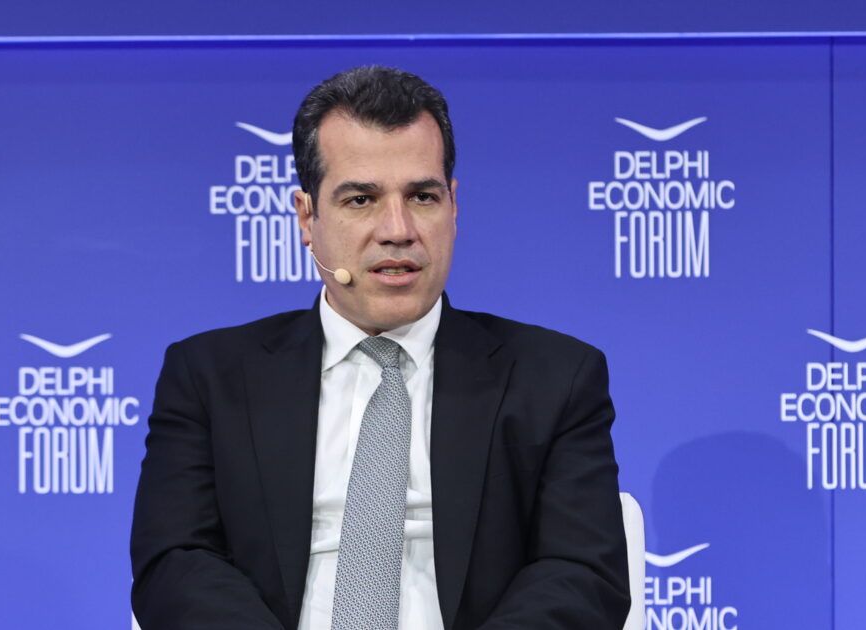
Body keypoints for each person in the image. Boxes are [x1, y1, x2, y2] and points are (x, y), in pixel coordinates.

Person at [131, 66, 629, 630]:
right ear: (307, 217)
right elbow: (175, 561)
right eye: (362, 199)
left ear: (454, 207)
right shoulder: (210, 377)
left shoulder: (554, 377)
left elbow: (583, 573)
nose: (398, 229)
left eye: (422, 196)